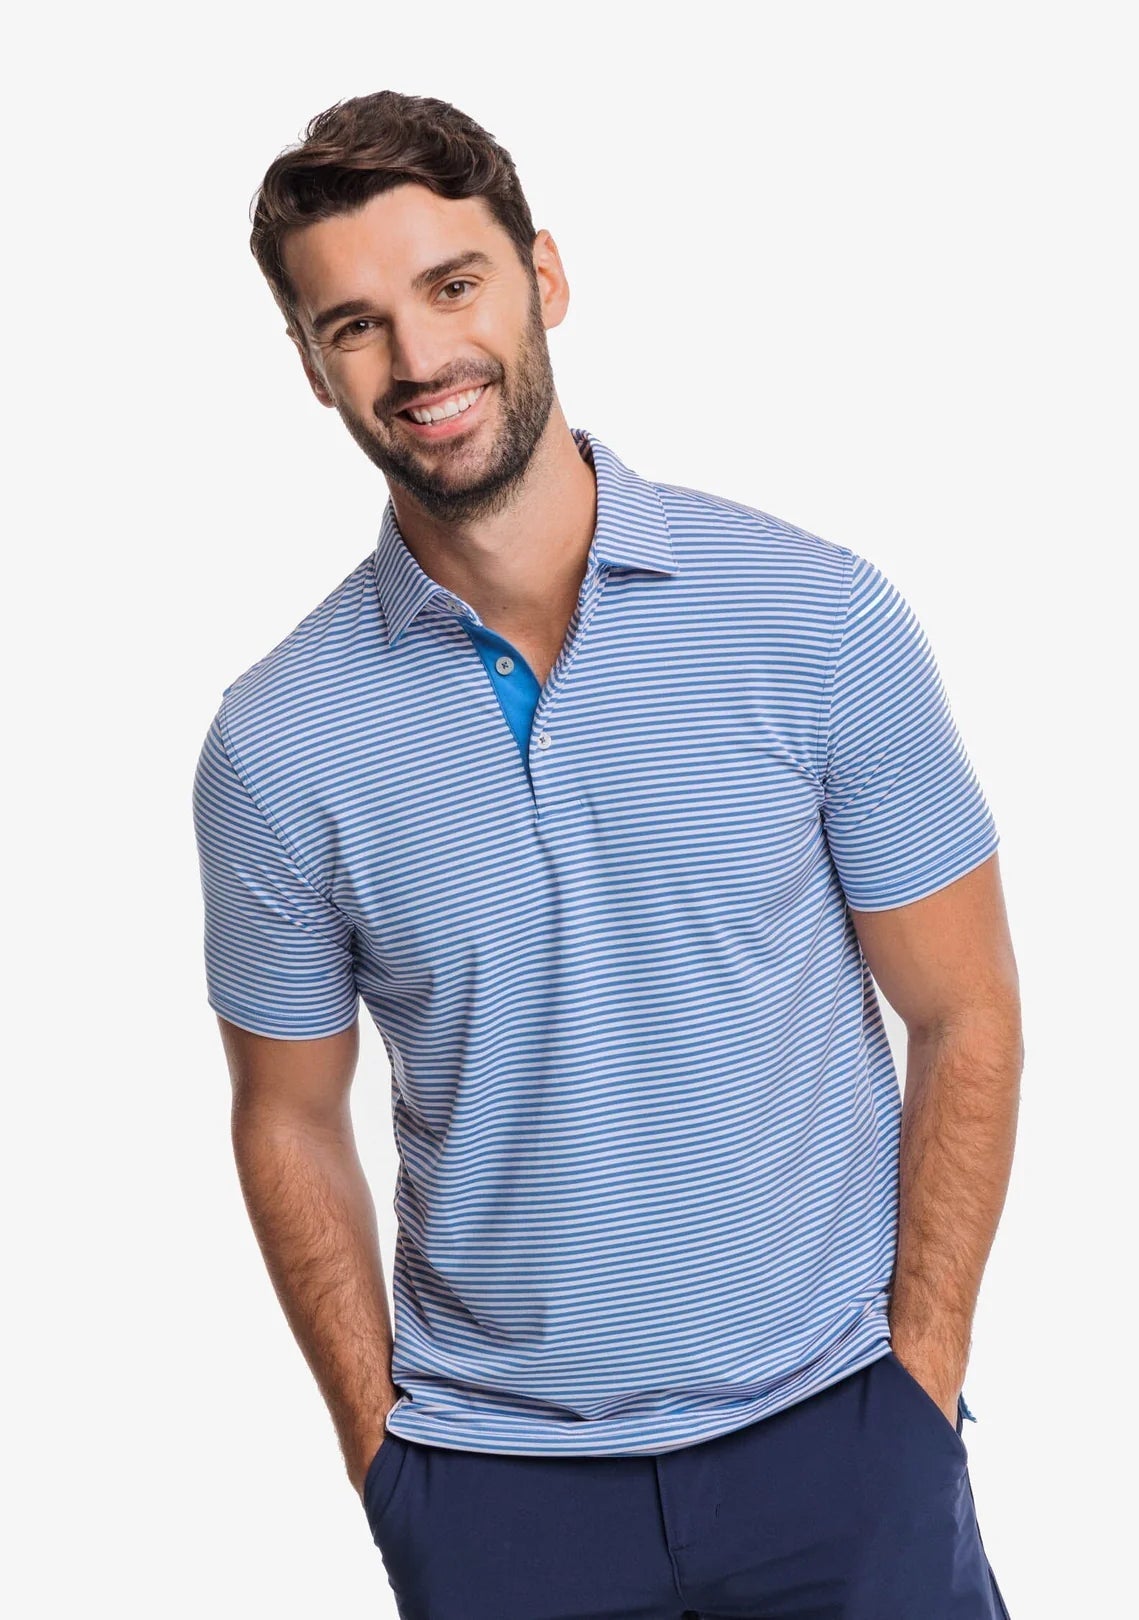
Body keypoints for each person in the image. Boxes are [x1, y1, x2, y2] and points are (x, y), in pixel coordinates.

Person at [192, 89, 1023, 1620]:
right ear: (312, 366)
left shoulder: (812, 620)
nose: (420, 359)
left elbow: (963, 1009)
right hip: (498, 1498)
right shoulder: (278, 740)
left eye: (454, 286)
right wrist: (388, 1461)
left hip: (841, 1438)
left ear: (544, 277)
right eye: (356, 325)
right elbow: (289, 1113)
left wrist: (921, 1380)